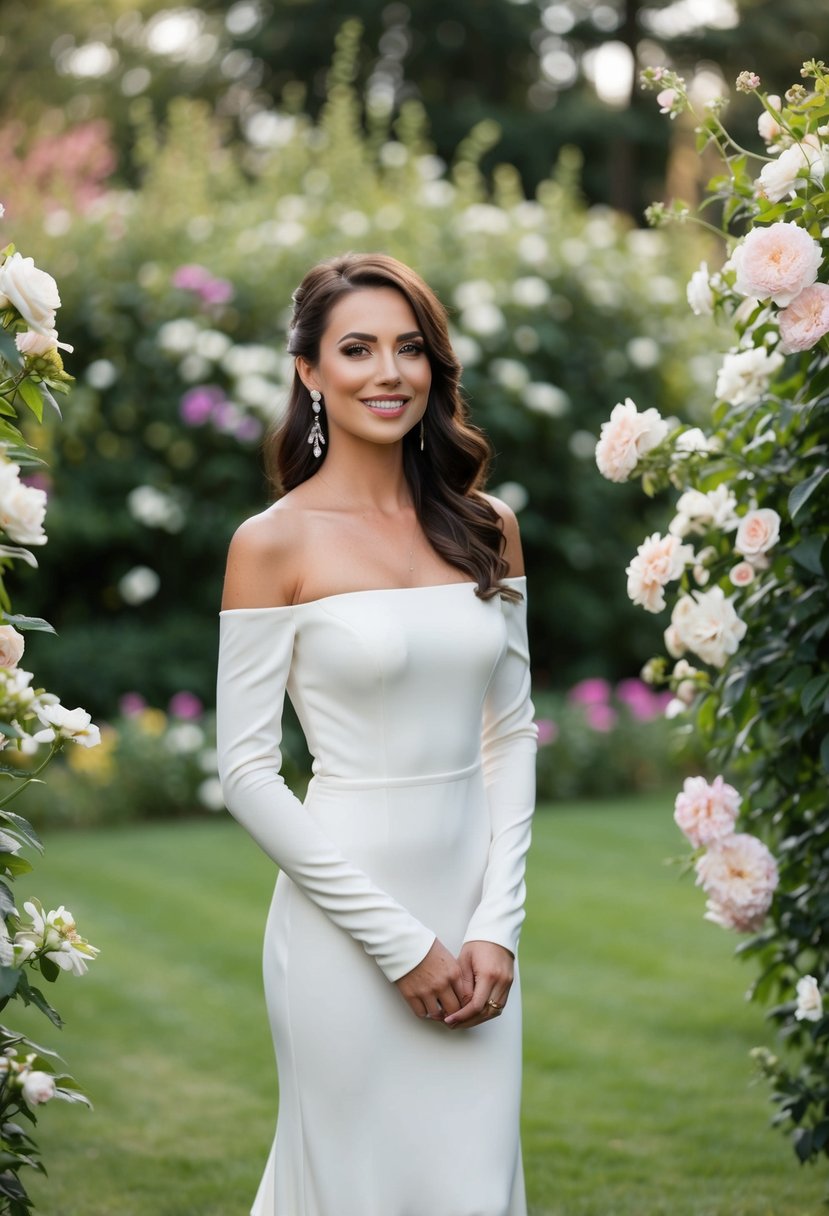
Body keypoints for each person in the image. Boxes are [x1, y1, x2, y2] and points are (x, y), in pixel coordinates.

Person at [216, 252, 537, 1216]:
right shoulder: (270, 543)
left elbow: (511, 734)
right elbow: (244, 773)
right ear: (309, 371)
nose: (387, 373)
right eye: (356, 349)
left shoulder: (487, 527)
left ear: (435, 370)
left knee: (473, 1186)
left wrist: (497, 926)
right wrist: (399, 943)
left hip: (474, 919)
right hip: (342, 929)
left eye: (409, 350)